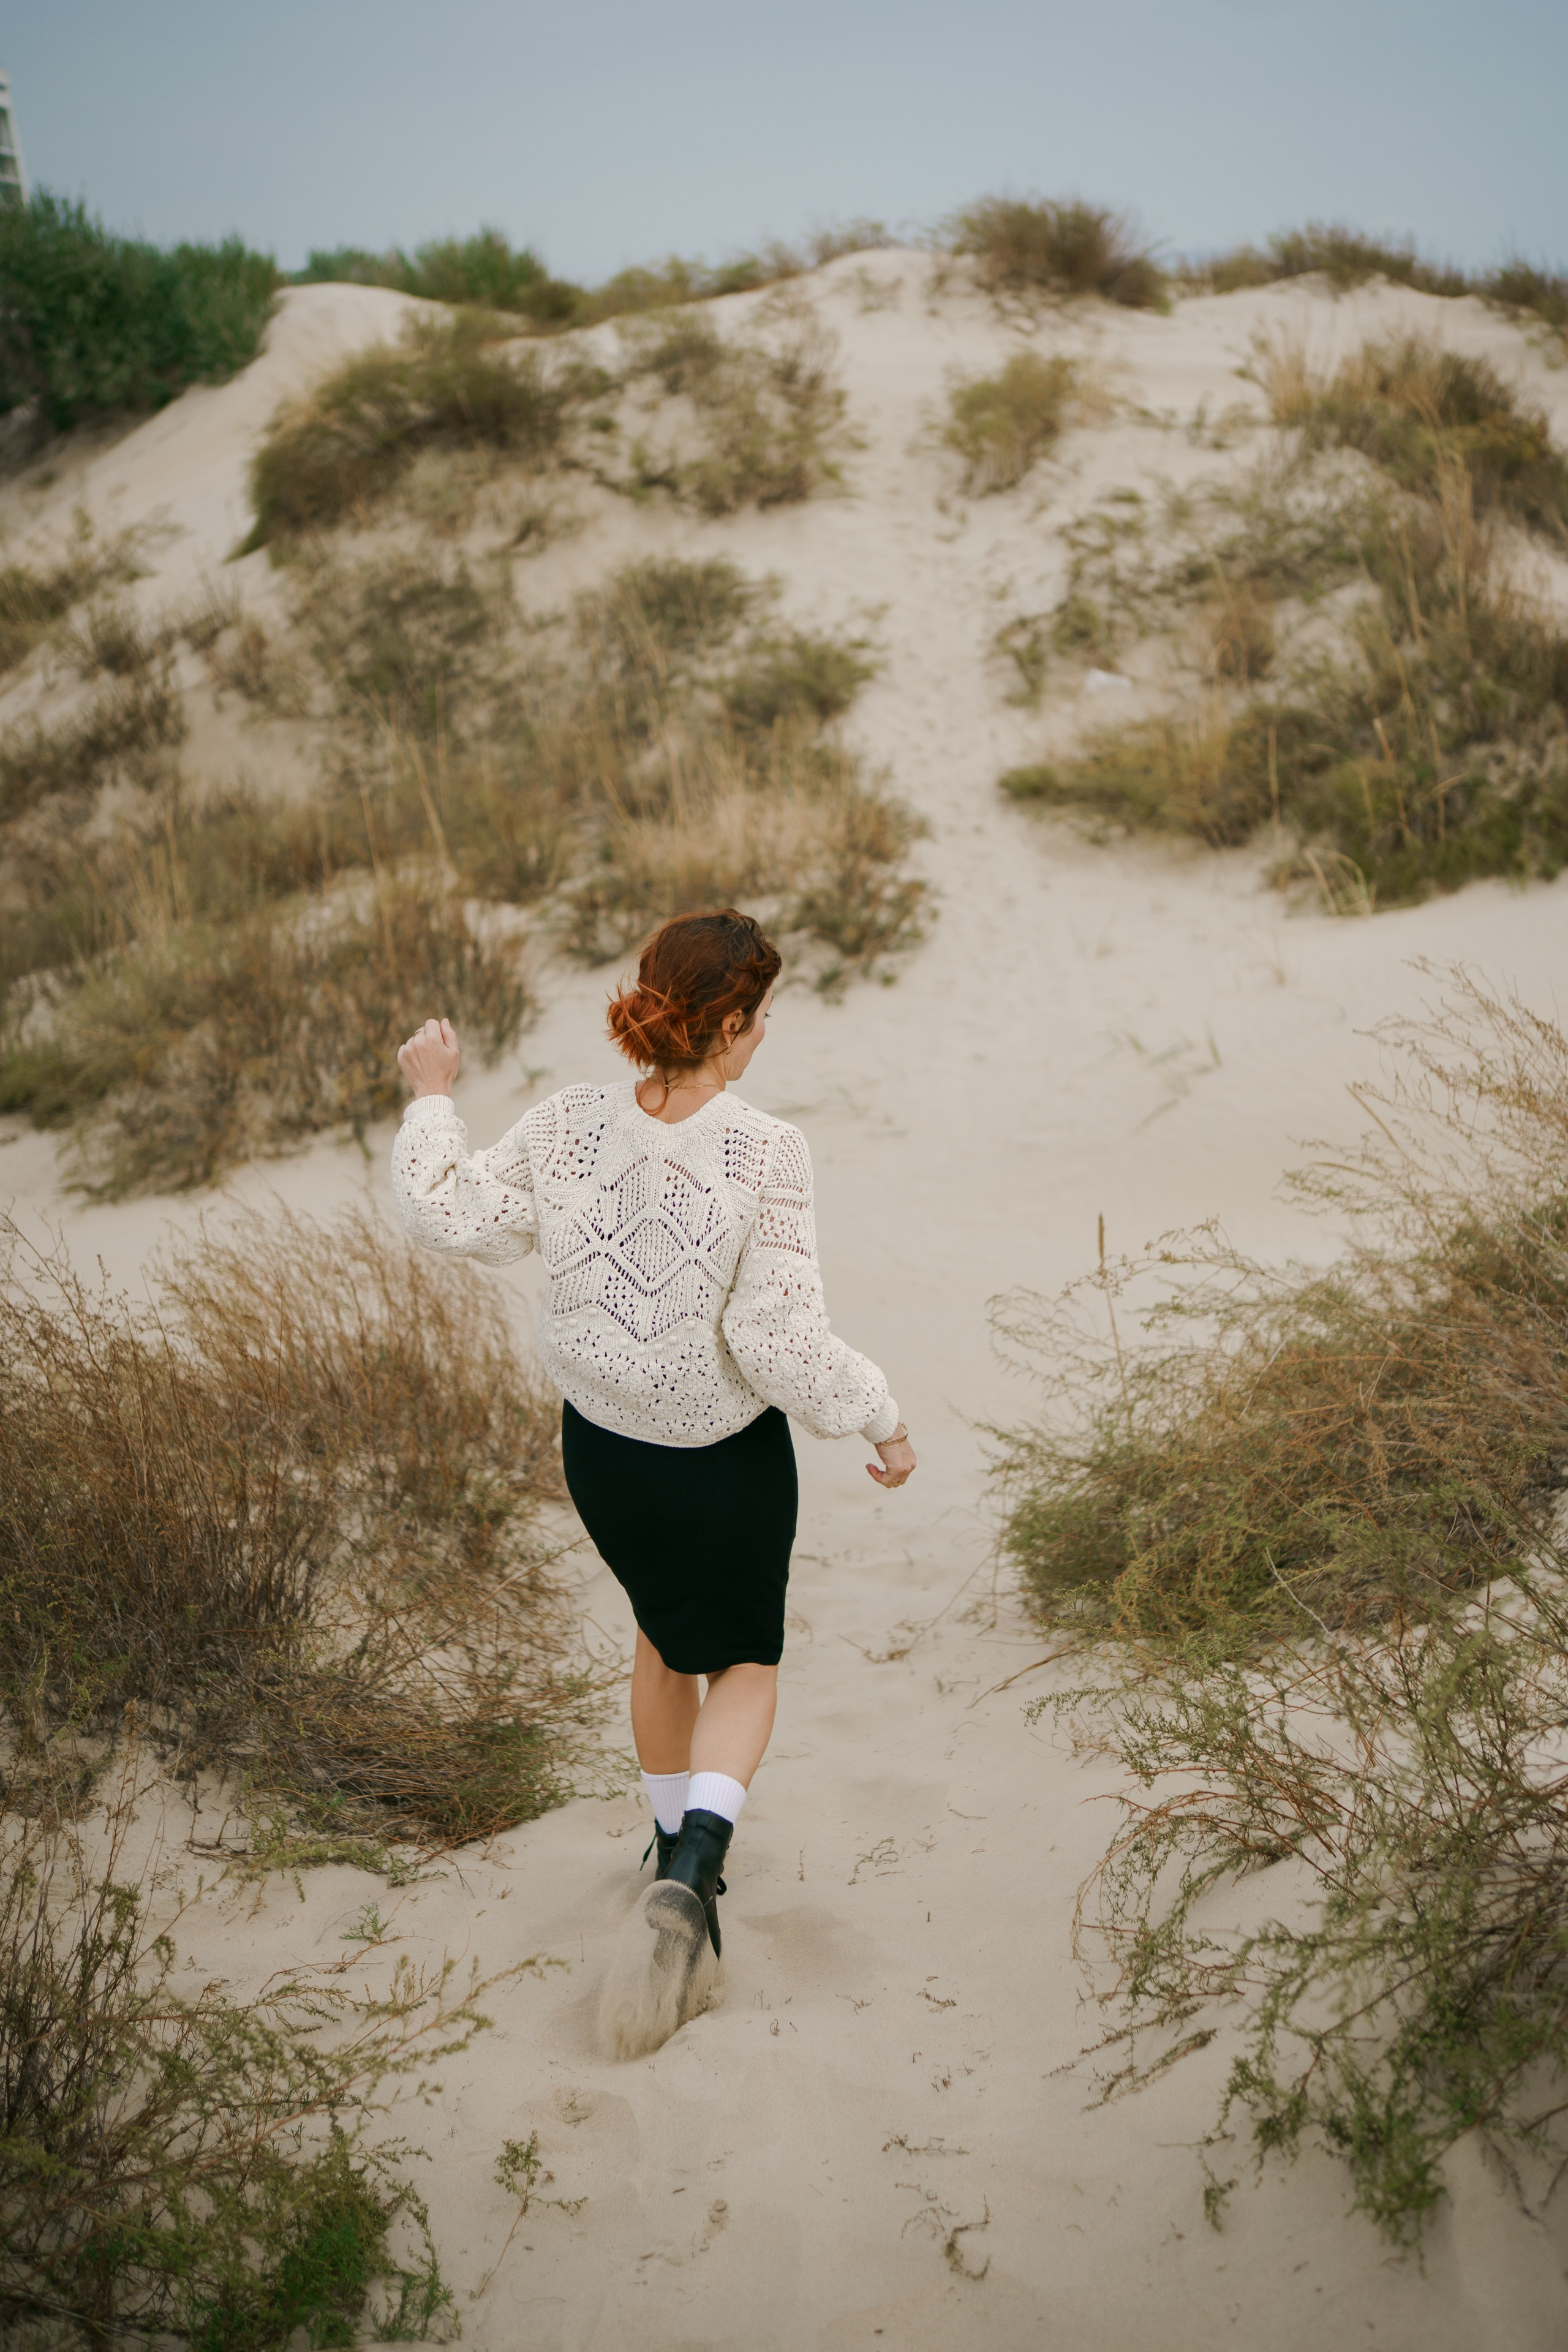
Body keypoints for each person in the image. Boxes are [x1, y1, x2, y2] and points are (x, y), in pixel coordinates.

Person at [391, 908, 914, 1989]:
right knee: (748, 1666)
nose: (767, 1032)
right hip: (723, 1464)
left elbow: (445, 1216)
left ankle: (666, 1844)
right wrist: (880, 1415)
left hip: (606, 1462)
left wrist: (434, 1100)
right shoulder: (767, 1151)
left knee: (660, 1638)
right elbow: (776, 1341)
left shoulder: (568, 1125)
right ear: (726, 1026)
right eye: (762, 1016)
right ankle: (700, 1862)